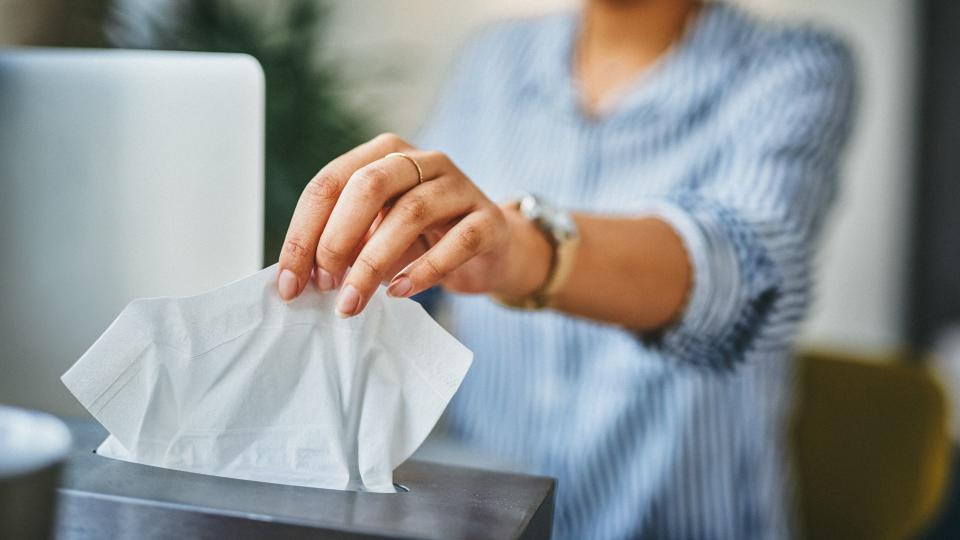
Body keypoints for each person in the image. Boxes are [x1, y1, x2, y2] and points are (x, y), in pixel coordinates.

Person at [275, 0, 856, 537]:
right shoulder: (493, 64)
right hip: (486, 522)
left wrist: (519, 249)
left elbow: (745, 269)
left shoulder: (795, 68)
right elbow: (414, 267)